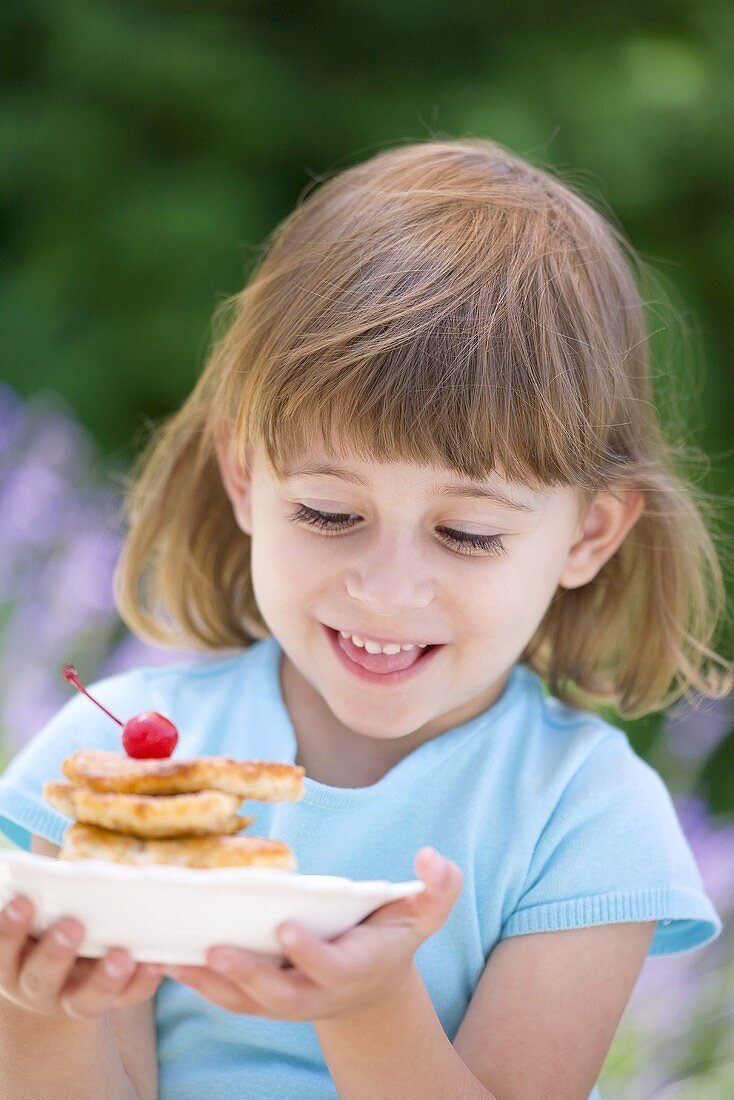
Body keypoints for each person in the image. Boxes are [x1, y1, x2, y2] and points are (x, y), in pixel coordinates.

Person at [0, 138, 730, 1100]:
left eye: (466, 533)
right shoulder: (116, 773)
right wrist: (39, 1010)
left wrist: (367, 1010)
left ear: (589, 535)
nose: (386, 590)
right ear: (246, 479)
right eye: (330, 515)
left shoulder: (589, 817)